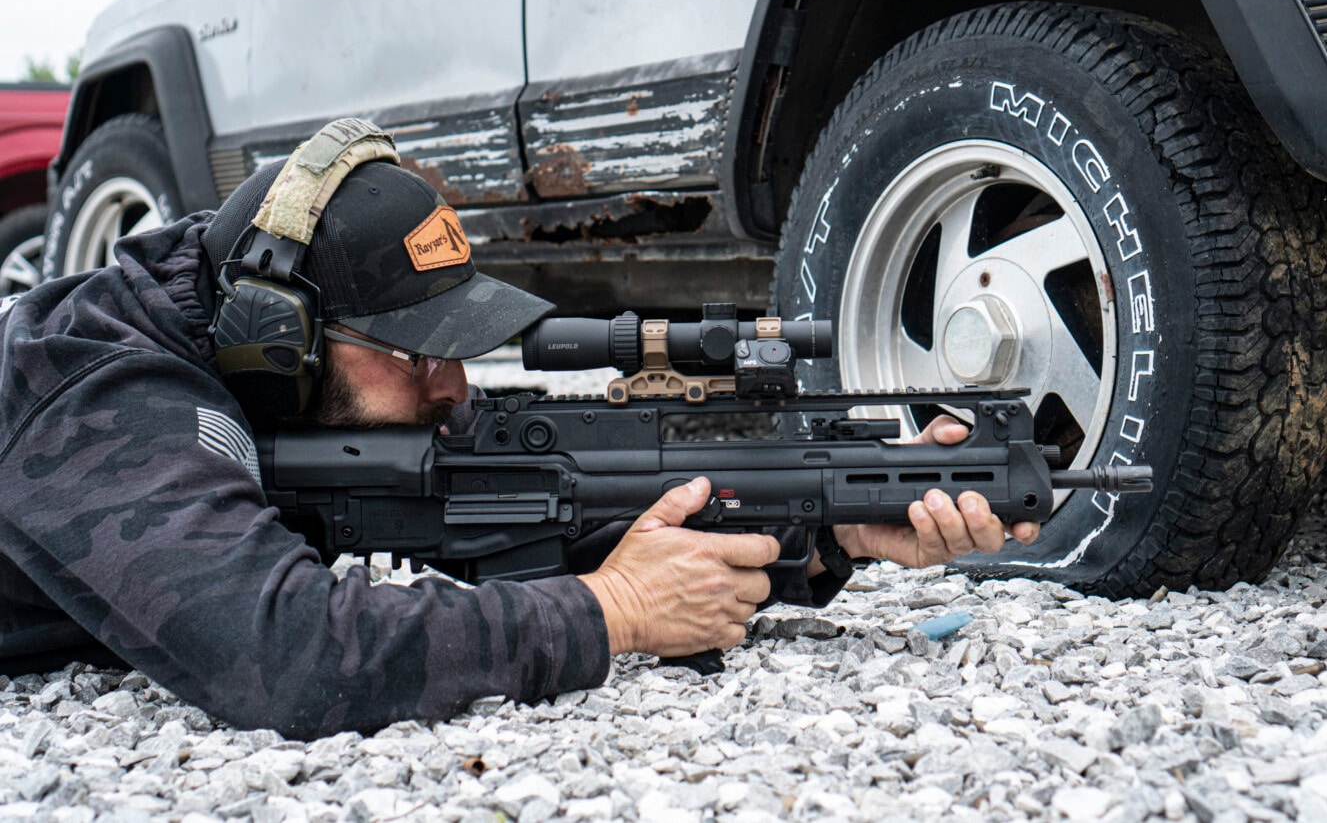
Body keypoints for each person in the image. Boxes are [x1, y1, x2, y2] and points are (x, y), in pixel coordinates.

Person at [0, 120, 1037, 739]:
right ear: (282, 338)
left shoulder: (257, 330)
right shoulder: (102, 394)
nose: (453, 385)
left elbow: (508, 496)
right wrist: (610, 615)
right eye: (414, 352)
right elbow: (283, 651)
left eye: (455, 341)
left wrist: (820, 522)